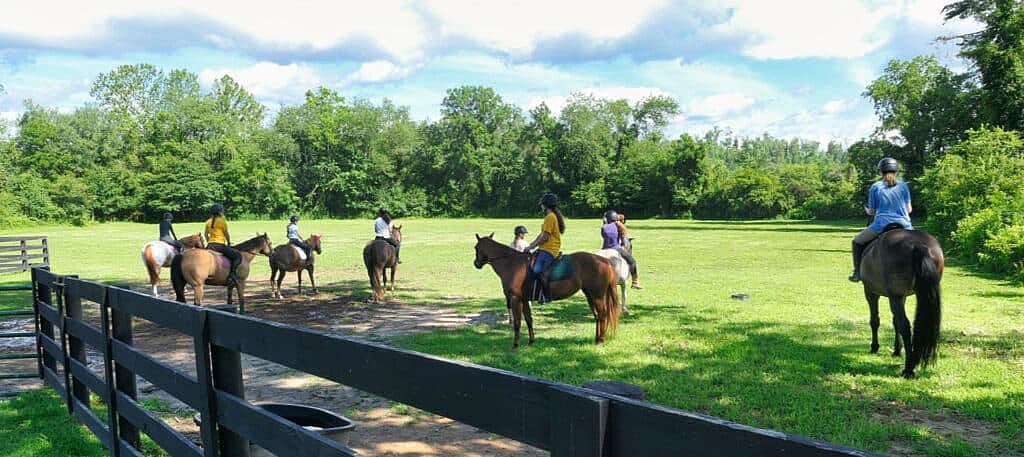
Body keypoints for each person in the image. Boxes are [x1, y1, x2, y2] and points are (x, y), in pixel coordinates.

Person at [848, 157, 913, 282]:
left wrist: (868, 211)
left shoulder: (875, 187)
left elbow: (872, 211)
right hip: (905, 225)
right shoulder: (904, 186)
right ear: (896, 170)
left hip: (881, 225)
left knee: (857, 242)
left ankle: (857, 273)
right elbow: (909, 209)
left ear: (881, 171)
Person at [525, 192, 565, 303]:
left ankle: (547, 296)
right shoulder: (550, 217)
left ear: (546, 205)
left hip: (549, 249)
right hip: (544, 248)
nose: (541, 207)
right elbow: (541, 235)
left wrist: (531, 246)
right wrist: (530, 246)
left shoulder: (550, 217)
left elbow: (545, 237)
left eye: (542, 204)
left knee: (537, 270)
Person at [601, 209, 642, 289]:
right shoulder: (619, 226)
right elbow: (624, 239)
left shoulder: (603, 228)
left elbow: (605, 237)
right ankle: (635, 282)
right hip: (616, 248)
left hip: (604, 248)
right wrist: (623, 243)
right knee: (632, 261)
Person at [204, 204, 242, 285]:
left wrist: (209, 242)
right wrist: (229, 242)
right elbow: (226, 234)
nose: (223, 212)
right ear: (219, 212)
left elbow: (205, 235)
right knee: (237, 256)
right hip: (220, 245)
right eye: (222, 211)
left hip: (210, 245)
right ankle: (232, 275)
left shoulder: (208, 222)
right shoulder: (222, 222)